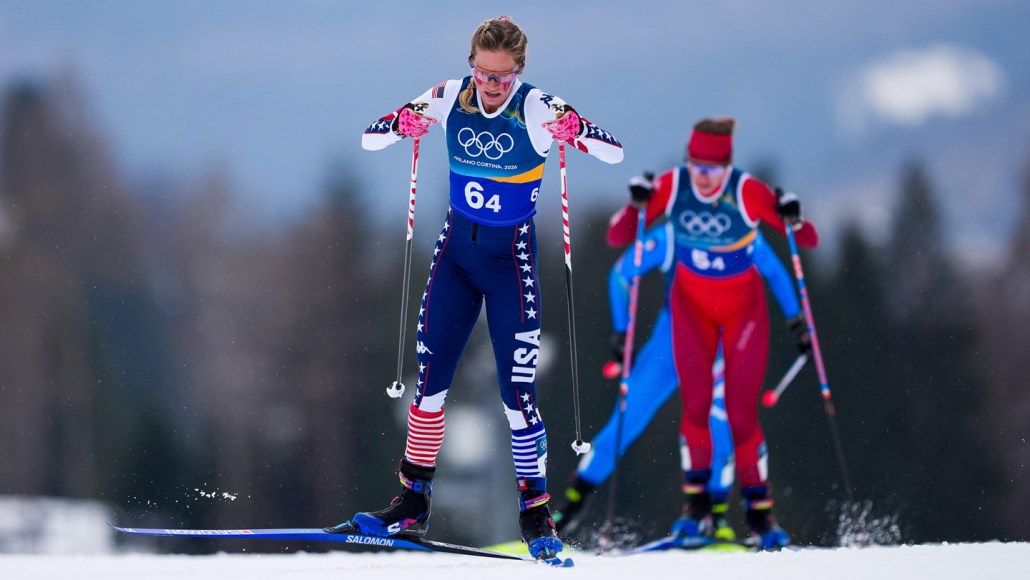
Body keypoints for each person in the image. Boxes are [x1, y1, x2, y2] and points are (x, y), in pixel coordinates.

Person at [326, 16, 623, 561]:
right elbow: (371, 137)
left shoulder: (536, 106)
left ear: (520, 72)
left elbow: (614, 152)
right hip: (457, 257)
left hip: (510, 264)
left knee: (517, 395)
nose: (490, 85)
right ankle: (412, 501)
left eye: (502, 77)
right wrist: (405, 124)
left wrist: (573, 130)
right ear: (471, 65)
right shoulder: (447, 96)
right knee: (430, 383)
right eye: (483, 73)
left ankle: (535, 514)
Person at [606, 118, 818, 549]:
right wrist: (636, 205)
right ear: (688, 163)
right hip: (690, 312)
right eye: (698, 167)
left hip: (744, 316)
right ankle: (696, 510)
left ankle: (760, 515)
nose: (704, 178)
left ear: (729, 167)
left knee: (740, 415)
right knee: (696, 408)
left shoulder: (747, 192)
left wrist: (794, 216)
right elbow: (619, 235)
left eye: (714, 170)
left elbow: (806, 240)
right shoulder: (674, 184)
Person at [552, 224, 807, 541]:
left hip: (719, 342)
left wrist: (798, 324)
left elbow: (775, 272)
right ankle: (567, 513)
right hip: (670, 344)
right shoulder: (673, 233)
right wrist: (620, 331)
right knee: (626, 422)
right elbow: (620, 274)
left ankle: (714, 517)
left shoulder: (742, 231)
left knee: (720, 423)